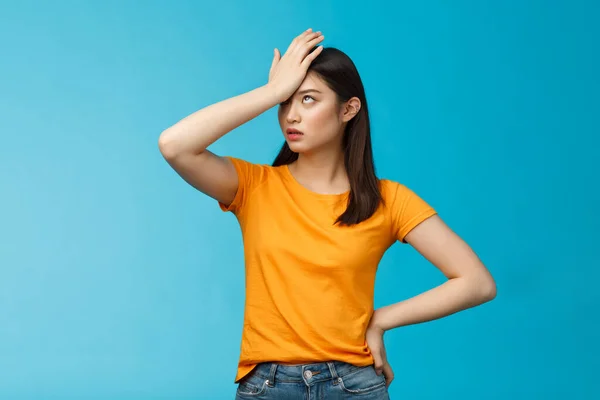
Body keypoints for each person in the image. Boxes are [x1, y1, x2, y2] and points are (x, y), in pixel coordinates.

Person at [158, 28, 497, 399]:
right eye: (285, 103)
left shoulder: (389, 200)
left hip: (354, 385)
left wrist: (381, 320)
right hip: (268, 386)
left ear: (348, 109)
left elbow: (476, 282)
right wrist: (270, 91)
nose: (291, 115)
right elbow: (175, 145)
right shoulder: (253, 186)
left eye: (308, 100)